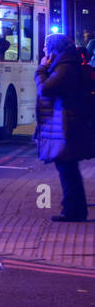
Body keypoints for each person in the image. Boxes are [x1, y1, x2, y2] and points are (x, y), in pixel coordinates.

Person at [33, 34, 95, 222]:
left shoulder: (65, 66)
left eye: (46, 47)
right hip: (65, 123)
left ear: (54, 48)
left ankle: (73, 211)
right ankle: (73, 208)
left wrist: (42, 68)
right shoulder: (66, 64)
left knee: (67, 167)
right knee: (67, 167)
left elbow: (45, 88)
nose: (44, 50)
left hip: (66, 124)